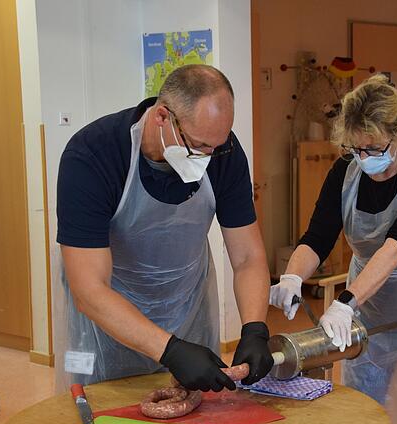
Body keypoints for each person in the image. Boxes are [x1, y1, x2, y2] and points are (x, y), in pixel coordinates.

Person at [56, 65, 273, 392]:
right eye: (197, 146)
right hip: (108, 323)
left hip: (188, 312)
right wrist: (170, 350)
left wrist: (255, 329)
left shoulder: (222, 152)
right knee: (112, 418)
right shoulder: (92, 155)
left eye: (216, 146)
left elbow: (247, 257)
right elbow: (90, 290)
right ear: (162, 118)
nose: (208, 157)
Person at [269, 74, 397, 424]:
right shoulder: (345, 171)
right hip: (370, 304)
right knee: (363, 401)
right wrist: (293, 275)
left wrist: (346, 302)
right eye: (354, 149)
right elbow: (317, 236)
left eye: (374, 149)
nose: (364, 159)